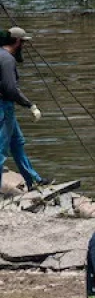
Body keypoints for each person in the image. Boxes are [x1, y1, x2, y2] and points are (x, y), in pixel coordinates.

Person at [0, 27, 42, 189]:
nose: (23, 46)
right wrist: (30, 105)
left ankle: (34, 180)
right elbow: (11, 89)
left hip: (6, 107)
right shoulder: (7, 59)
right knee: (1, 151)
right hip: (4, 107)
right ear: (17, 42)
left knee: (17, 143)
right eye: (23, 42)